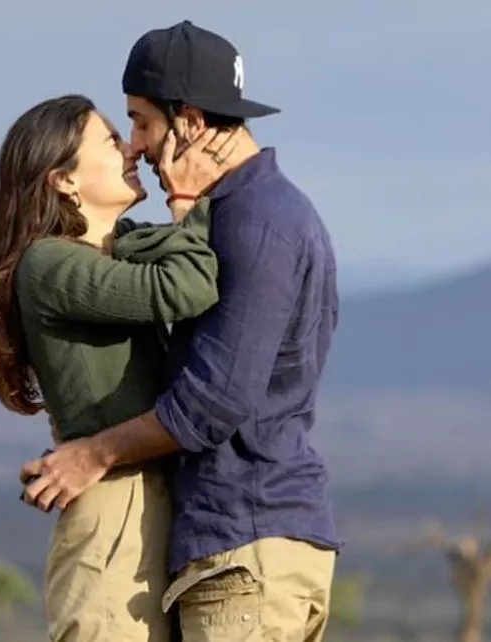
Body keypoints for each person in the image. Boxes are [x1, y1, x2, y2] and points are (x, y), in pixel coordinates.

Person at [21, 21, 342, 642]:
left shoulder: (249, 222)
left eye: (141, 122)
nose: (137, 146)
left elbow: (212, 404)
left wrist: (92, 453)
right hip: (254, 540)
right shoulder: (265, 212)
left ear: (189, 122)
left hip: (245, 539)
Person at [0, 93, 228, 641]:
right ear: (64, 180)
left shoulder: (118, 245)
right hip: (114, 510)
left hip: (145, 502)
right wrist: (187, 199)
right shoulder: (50, 262)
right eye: (111, 140)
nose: (132, 149)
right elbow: (186, 286)